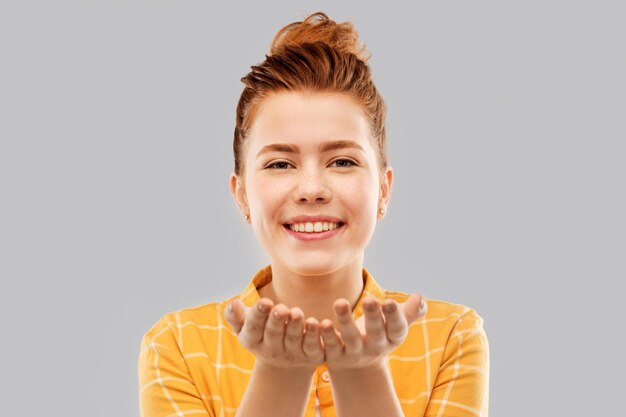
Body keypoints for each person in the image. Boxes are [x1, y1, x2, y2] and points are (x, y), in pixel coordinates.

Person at [138, 11, 489, 417]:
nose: (311, 190)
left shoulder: (450, 337)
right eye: (279, 164)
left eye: (342, 162)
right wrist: (279, 374)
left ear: (384, 188)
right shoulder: (178, 345)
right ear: (242, 195)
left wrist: (363, 373)